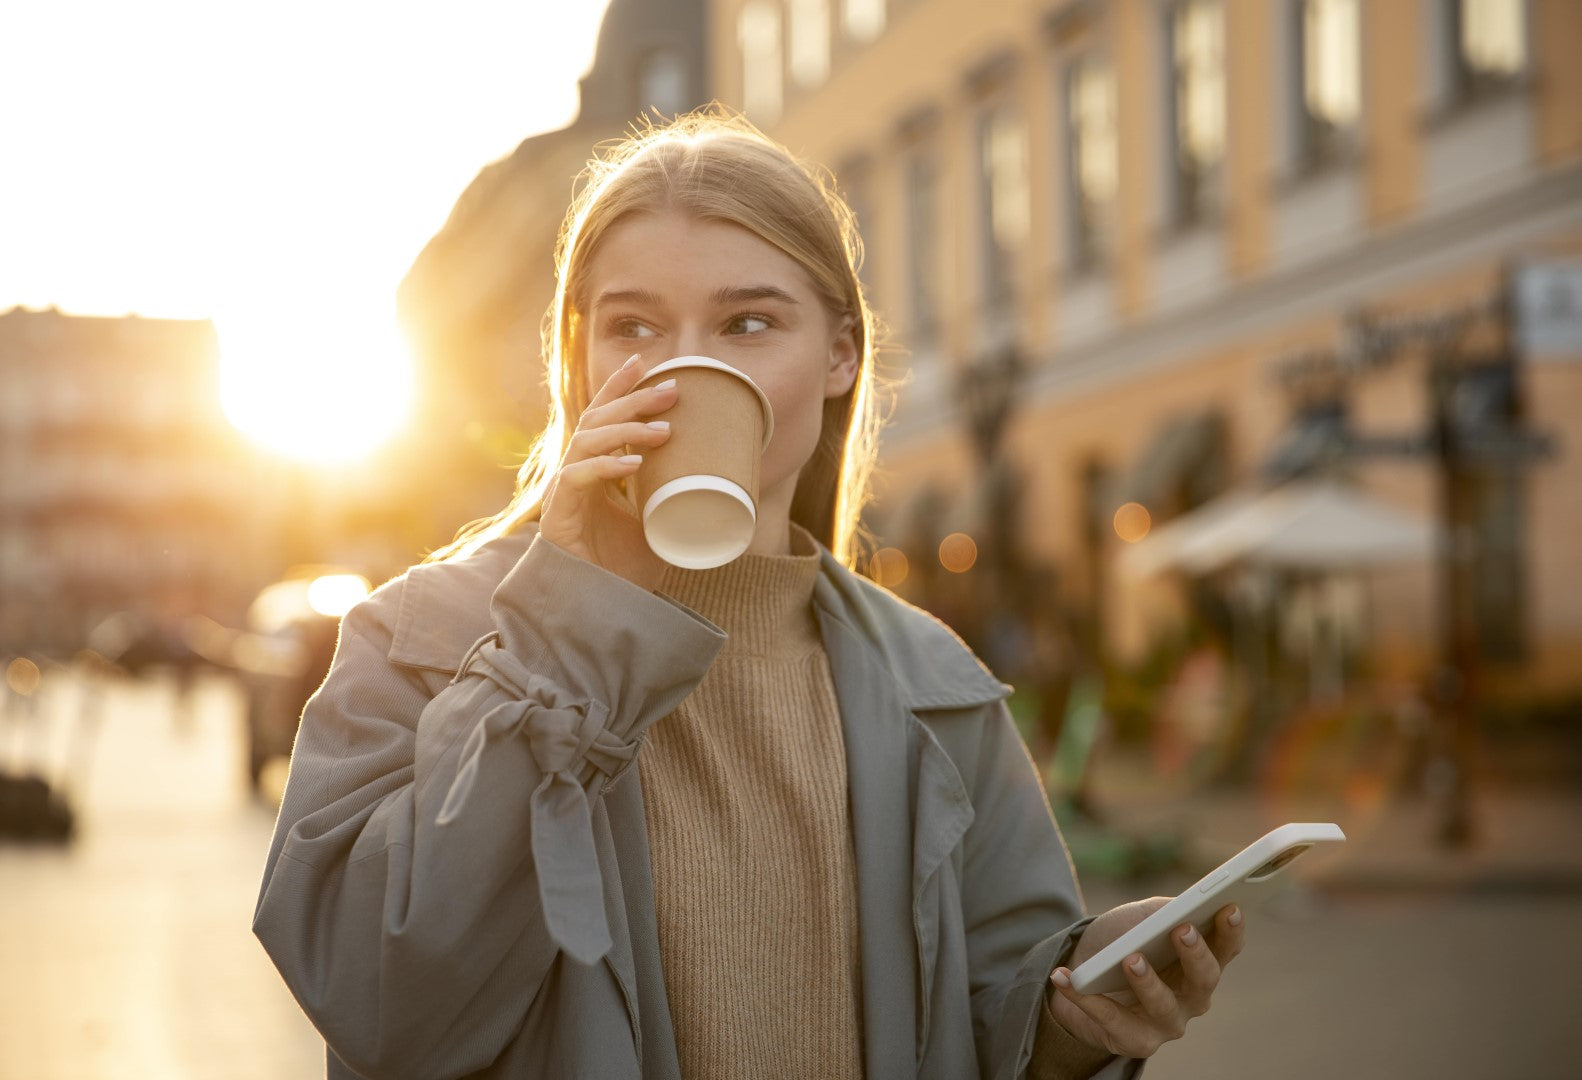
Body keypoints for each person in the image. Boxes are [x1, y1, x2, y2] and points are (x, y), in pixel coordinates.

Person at [253, 108, 1244, 1080]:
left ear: (838, 356)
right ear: (581, 359)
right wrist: (570, 627)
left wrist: (1076, 1011)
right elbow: (381, 1004)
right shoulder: (418, 640)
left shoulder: (932, 683)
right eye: (633, 326)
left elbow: (983, 1019)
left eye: (749, 323)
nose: (687, 372)